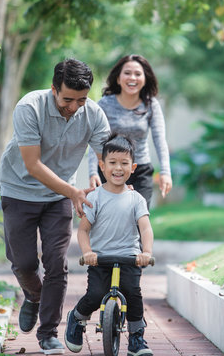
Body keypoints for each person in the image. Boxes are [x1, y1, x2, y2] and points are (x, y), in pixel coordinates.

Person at [0, 58, 110, 355]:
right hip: (19, 190)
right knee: (22, 262)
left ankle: (48, 333)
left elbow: (106, 158)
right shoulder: (29, 107)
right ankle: (34, 296)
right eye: (67, 99)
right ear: (53, 89)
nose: (74, 107)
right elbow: (32, 165)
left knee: (56, 263)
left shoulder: (94, 114)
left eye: (81, 99)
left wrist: (114, 184)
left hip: (58, 198)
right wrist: (73, 190)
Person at [65, 133, 154, 356]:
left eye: (124, 163)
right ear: (102, 166)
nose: (118, 168)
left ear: (133, 167)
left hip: (129, 256)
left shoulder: (136, 199)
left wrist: (147, 251)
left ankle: (136, 338)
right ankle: (77, 318)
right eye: (112, 163)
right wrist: (87, 252)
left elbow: (145, 228)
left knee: (133, 294)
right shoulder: (95, 197)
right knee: (95, 294)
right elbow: (83, 230)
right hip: (100, 258)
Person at [87, 54, 172, 208]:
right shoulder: (105, 104)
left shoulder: (151, 105)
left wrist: (165, 172)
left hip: (140, 170)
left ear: (145, 79)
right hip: (110, 169)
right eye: (127, 73)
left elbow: (160, 140)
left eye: (138, 74)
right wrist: (93, 172)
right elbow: (96, 140)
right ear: (118, 78)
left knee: (139, 219)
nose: (132, 77)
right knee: (111, 219)